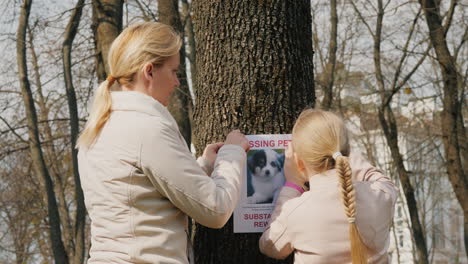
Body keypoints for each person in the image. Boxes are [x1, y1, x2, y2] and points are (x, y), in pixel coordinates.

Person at [76, 22, 249, 264]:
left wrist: (205, 166)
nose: (177, 83)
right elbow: (216, 209)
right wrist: (232, 154)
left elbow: (147, 196)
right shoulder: (146, 129)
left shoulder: (100, 126)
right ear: (149, 71)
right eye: (174, 71)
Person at [259, 109, 398, 264]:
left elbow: (269, 245)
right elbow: (379, 178)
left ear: (299, 162)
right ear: (347, 150)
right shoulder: (381, 195)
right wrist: (341, 150)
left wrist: (293, 184)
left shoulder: (295, 212)